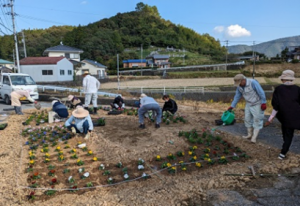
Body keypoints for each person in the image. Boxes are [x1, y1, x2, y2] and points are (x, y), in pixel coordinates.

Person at [266, 70, 300, 160]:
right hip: (297, 115)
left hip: (284, 116)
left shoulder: (279, 89)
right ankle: (283, 152)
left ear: (283, 79)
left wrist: (271, 118)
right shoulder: (297, 89)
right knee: (288, 133)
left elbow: (275, 105)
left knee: (287, 134)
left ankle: (283, 153)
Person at [228, 74, 267, 143]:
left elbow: (261, 92)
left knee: (257, 119)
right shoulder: (239, 87)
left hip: (257, 103)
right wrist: (232, 106)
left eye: (239, 83)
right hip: (248, 103)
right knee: (247, 119)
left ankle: (254, 137)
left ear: (243, 80)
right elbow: (237, 96)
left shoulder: (253, 83)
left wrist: (263, 102)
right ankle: (249, 134)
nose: (239, 85)